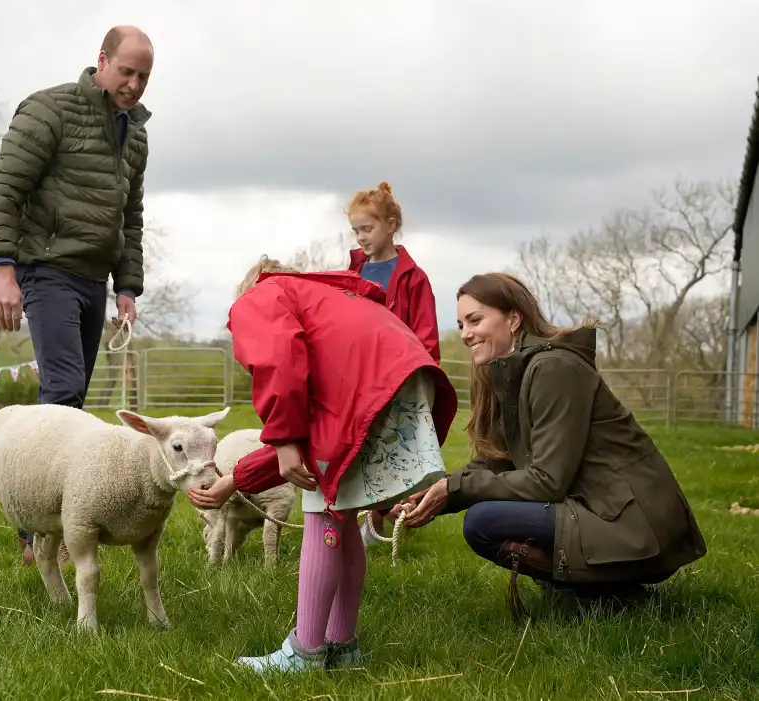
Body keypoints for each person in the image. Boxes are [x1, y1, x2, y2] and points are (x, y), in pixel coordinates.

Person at [186, 256, 458, 673]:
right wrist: (237, 479)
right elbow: (314, 439)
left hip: (372, 388)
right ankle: (342, 646)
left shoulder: (262, 295)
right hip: (404, 380)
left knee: (323, 514)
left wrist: (285, 437)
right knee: (343, 513)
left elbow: (278, 357)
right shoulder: (332, 307)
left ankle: (305, 651)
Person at [401, 272, 707, 620]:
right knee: (485, 515)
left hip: (636, 523)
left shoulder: (553, 368)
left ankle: (610, 594)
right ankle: (594, 589)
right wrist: (433, 494)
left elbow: (547, 480)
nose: (466, 333)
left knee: (484, 522)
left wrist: (454, 490)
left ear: (513, 318)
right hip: (600, 509)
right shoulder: (512, 371)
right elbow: (500, 460)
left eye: (475, 319)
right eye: (461, 324)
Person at [0, 25, 154, 564]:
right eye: (126, 70)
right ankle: (39, 536)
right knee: (63, 389)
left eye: (144, 76)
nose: (134, 84)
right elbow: (5, 187)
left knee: (72, 400)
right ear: (101, 60)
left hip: (93, 278)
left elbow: (130, 218)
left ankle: (48, 521)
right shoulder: (49, 111)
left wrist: (127, 286)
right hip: (45, 268)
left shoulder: (137, 135)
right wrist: (3, 268)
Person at [343, 181, 441, 546]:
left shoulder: (413, 278)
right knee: (358, 448)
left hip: (398, 378)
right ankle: (357, 523)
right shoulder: (352, 273)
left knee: (393, 449)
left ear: (391, 224)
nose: (360, 237)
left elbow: (427, 337)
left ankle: (391, 520)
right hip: (359, 378)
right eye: (355, 230)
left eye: (366, 229)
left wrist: (417, 378)